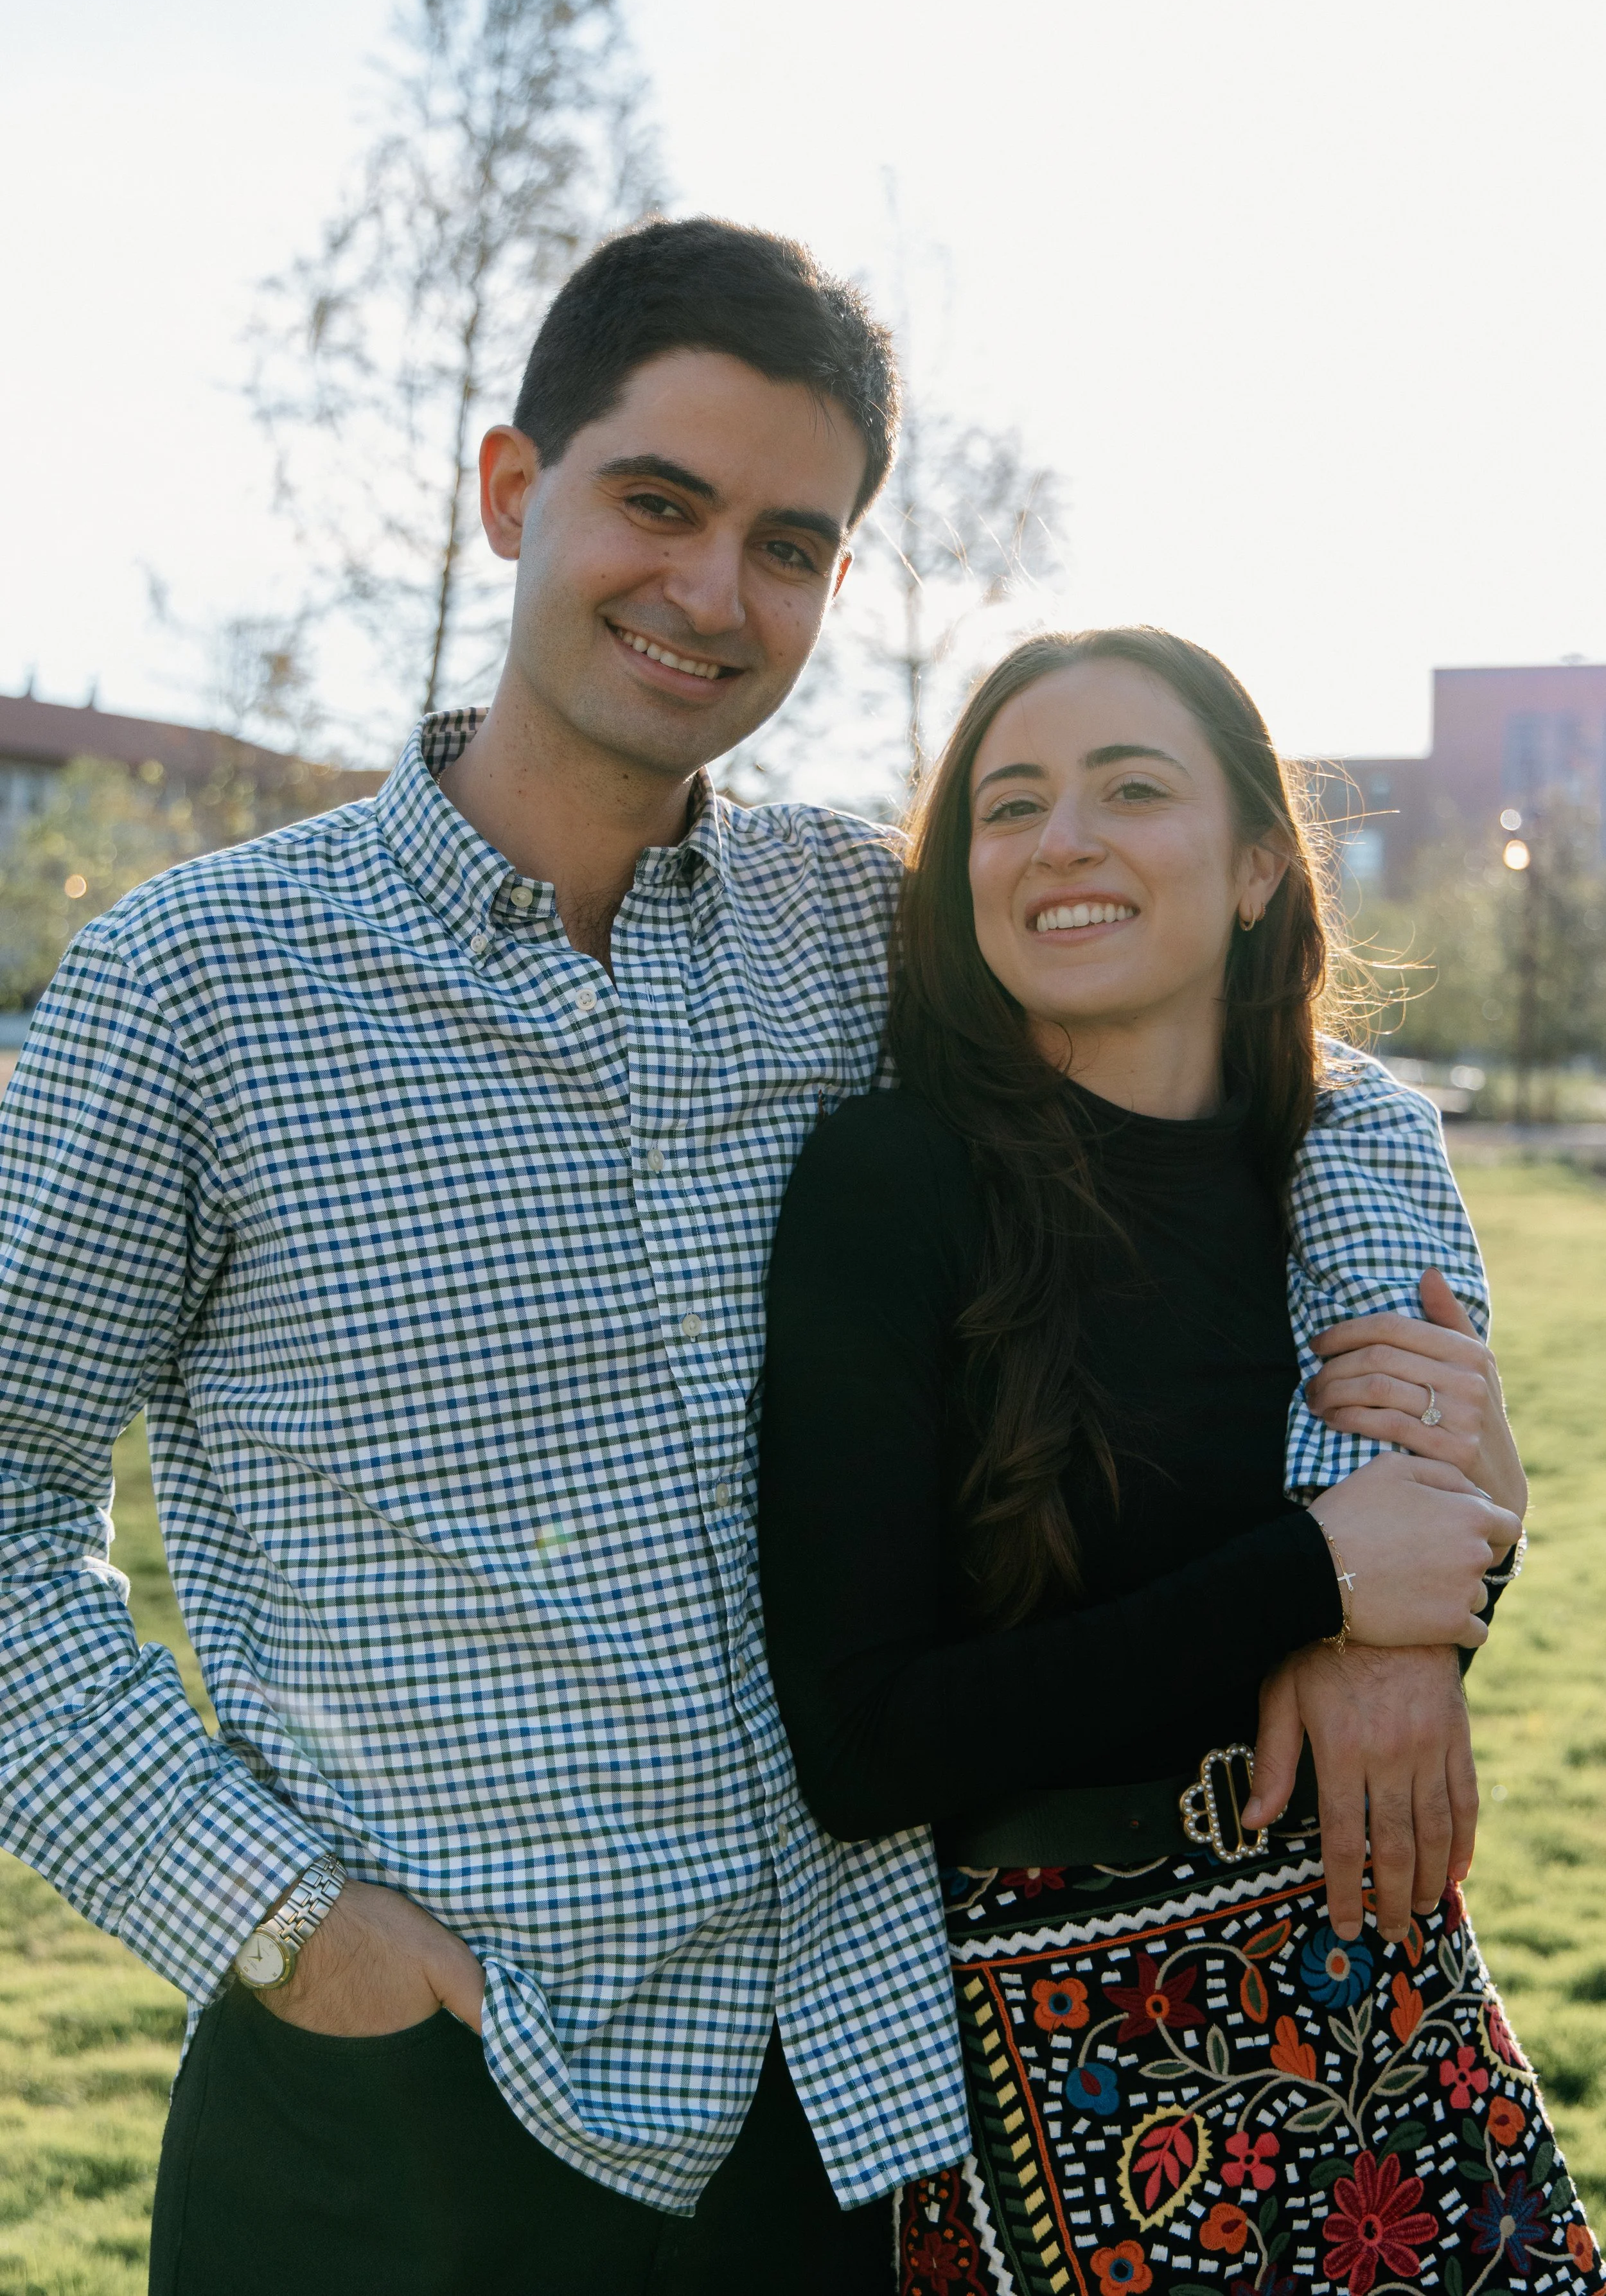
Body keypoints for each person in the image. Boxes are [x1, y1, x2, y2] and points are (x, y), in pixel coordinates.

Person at [0, 217, 1518, 2293]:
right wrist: (272, 1914)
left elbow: (1291, 1077)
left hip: (850, 2101)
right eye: (658, 502)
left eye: (789, 543)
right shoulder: (200, 983)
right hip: (404, 2105)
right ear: (514, 493)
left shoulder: (840, 925)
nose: (714, 594)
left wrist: (1377, 1514)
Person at [756, 628, 1596, 2295]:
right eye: (1007, 804)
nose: (1059, 837)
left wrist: (1440, 1589)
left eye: (1128, 788)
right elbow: (859, 1738)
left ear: (1258, 868)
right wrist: (1316, 1581)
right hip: (1058, 2053)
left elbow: (1428, 1526)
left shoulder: (1337, 1172)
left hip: (1379, 2007)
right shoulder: (891, 1182)